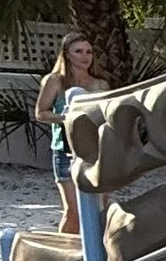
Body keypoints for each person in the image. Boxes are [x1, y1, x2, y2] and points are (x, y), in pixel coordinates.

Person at [34, 32, 109, 235]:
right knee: (73, 211)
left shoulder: (100, 84)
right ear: (67, 54)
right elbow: (41, 113)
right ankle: (64, 254)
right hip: (66, 150)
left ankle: (97, 254)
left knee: (101, 207)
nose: (85, 57)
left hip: (96, 150)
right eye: (78, 52)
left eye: (88, 52)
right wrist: (67, 118)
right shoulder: (55, 81)